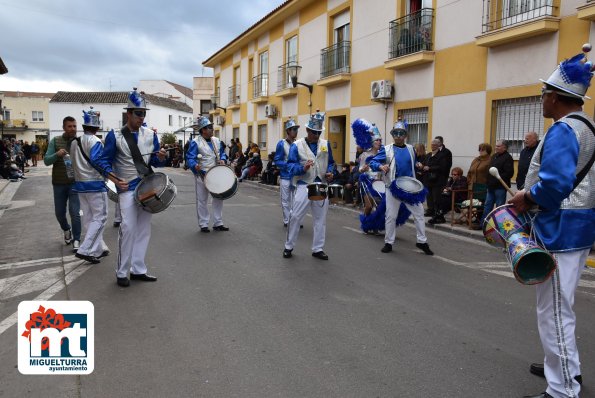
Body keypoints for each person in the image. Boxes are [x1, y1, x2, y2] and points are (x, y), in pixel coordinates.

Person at [509, 45, 595, 398]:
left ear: (557, 98)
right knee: (561, 308)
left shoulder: (563, 129)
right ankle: (566, 371)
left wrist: (525, 197)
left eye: (544, 93)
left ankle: (562, 390)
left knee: (554, 313)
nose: (541, 99)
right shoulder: (588, 126)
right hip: (578, 228)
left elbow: (556, 184)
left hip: (560, 229)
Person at [96, 88, 167, 287]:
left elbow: (155, 161)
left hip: (147, 186)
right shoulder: (115, 135)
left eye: (143, 113)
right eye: (137, 113)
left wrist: (160, 157)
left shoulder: (150, 135)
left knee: (144, 229)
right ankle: (121, 271)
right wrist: (115, 179)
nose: (141, 117)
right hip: (127, 187)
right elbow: (103, 162)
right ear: (128, 113)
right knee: (128, 228)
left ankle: (138, 269)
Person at [369, 120, 433, 255]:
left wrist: (418, 165)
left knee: (419, 213)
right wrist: (381, 166)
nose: (398, 136)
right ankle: (388, 242)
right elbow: (373, 162)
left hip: (410, 187)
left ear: (405, 135)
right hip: (393, 187)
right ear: (393, 135)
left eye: (401, 133)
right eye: (395, 133)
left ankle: (422, 241)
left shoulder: (411, 148)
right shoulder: (386, 149)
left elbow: (413, 161)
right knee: (391, 216)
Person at [283, 111, 335, 260]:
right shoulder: (296, 146)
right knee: (295, 217)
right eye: (314, 132)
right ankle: (289, 246)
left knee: (320, 219)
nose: (316, 135)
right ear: (307, 130)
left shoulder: (325, 144)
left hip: (321, 184)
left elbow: (331, 163)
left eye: (318, 132)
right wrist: (302, 168)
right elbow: (290, 166)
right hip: (304, 185)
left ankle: (317, 248)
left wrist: (331, 172)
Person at [70, 107, 109, 264]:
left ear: (84, 126)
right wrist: (110, 171)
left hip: (80, 185)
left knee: (89, 218)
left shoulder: (74, 142)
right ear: (97, 126)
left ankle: (98, 248)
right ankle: (85, 249)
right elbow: (98, 162)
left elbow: (72, 162)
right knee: (101, 217)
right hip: (95, 185)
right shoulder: (96, 141)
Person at [185, 116, 229, 233]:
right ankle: (203, 223)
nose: (212, 129)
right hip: (202, 175)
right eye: (209, 127)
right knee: (202, 200)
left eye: (212, 127)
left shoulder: (216, 141)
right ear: (203, 130)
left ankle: (218, 222)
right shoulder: (195, 142)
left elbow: (222, 153)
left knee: (219, 198)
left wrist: (223, 159)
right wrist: (194, 165)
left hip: (216, 174)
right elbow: (190, 158)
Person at [44, 116, 82, 251]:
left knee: (75, 212)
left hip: (74, 184)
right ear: (64, 128)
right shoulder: (55, 141)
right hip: (59, 183)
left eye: (75, 126)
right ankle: (66, 229)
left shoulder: (79, 142)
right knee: (60, 213)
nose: (73, 129)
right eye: (70, 126)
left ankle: (77, 239)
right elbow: (46, 161)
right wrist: (57, 154)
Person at [480, 139, 514, 225]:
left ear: (504, 147)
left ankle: (498, 226)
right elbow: (489, 170)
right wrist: (488, 181)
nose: (496, 148)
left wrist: (496, 179)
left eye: (498, 146)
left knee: (499, 208)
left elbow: (509, 173)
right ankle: (484, 224)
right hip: (490, 186)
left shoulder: (508, 158)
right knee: (487, 206)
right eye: (496, 146)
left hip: (500, 188)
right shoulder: (494, 156)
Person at [274, 118, 299, 226]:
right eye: (293, 129)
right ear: (288, 131)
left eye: (296, 129)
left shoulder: (299, 144)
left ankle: (295, 219)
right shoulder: (281, 144)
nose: (295, 131)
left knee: (297, 200)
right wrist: (288, 166)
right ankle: (287, 220)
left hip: (296, 176)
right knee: (285, 200)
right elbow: (277, 160)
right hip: (285, 176)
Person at [423, 138, 451, 222]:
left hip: (438, 180)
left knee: (437, 199)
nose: (432, 146)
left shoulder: (442, 155)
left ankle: (438, 214)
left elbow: (443, 167)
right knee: (430, 197)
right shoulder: (428, 155)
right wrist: (421, 166)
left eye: (434, 145)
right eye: (431, 145)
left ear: (438, 146)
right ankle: (431, 211)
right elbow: (424, 163)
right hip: (429, 179)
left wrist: (430, 168)